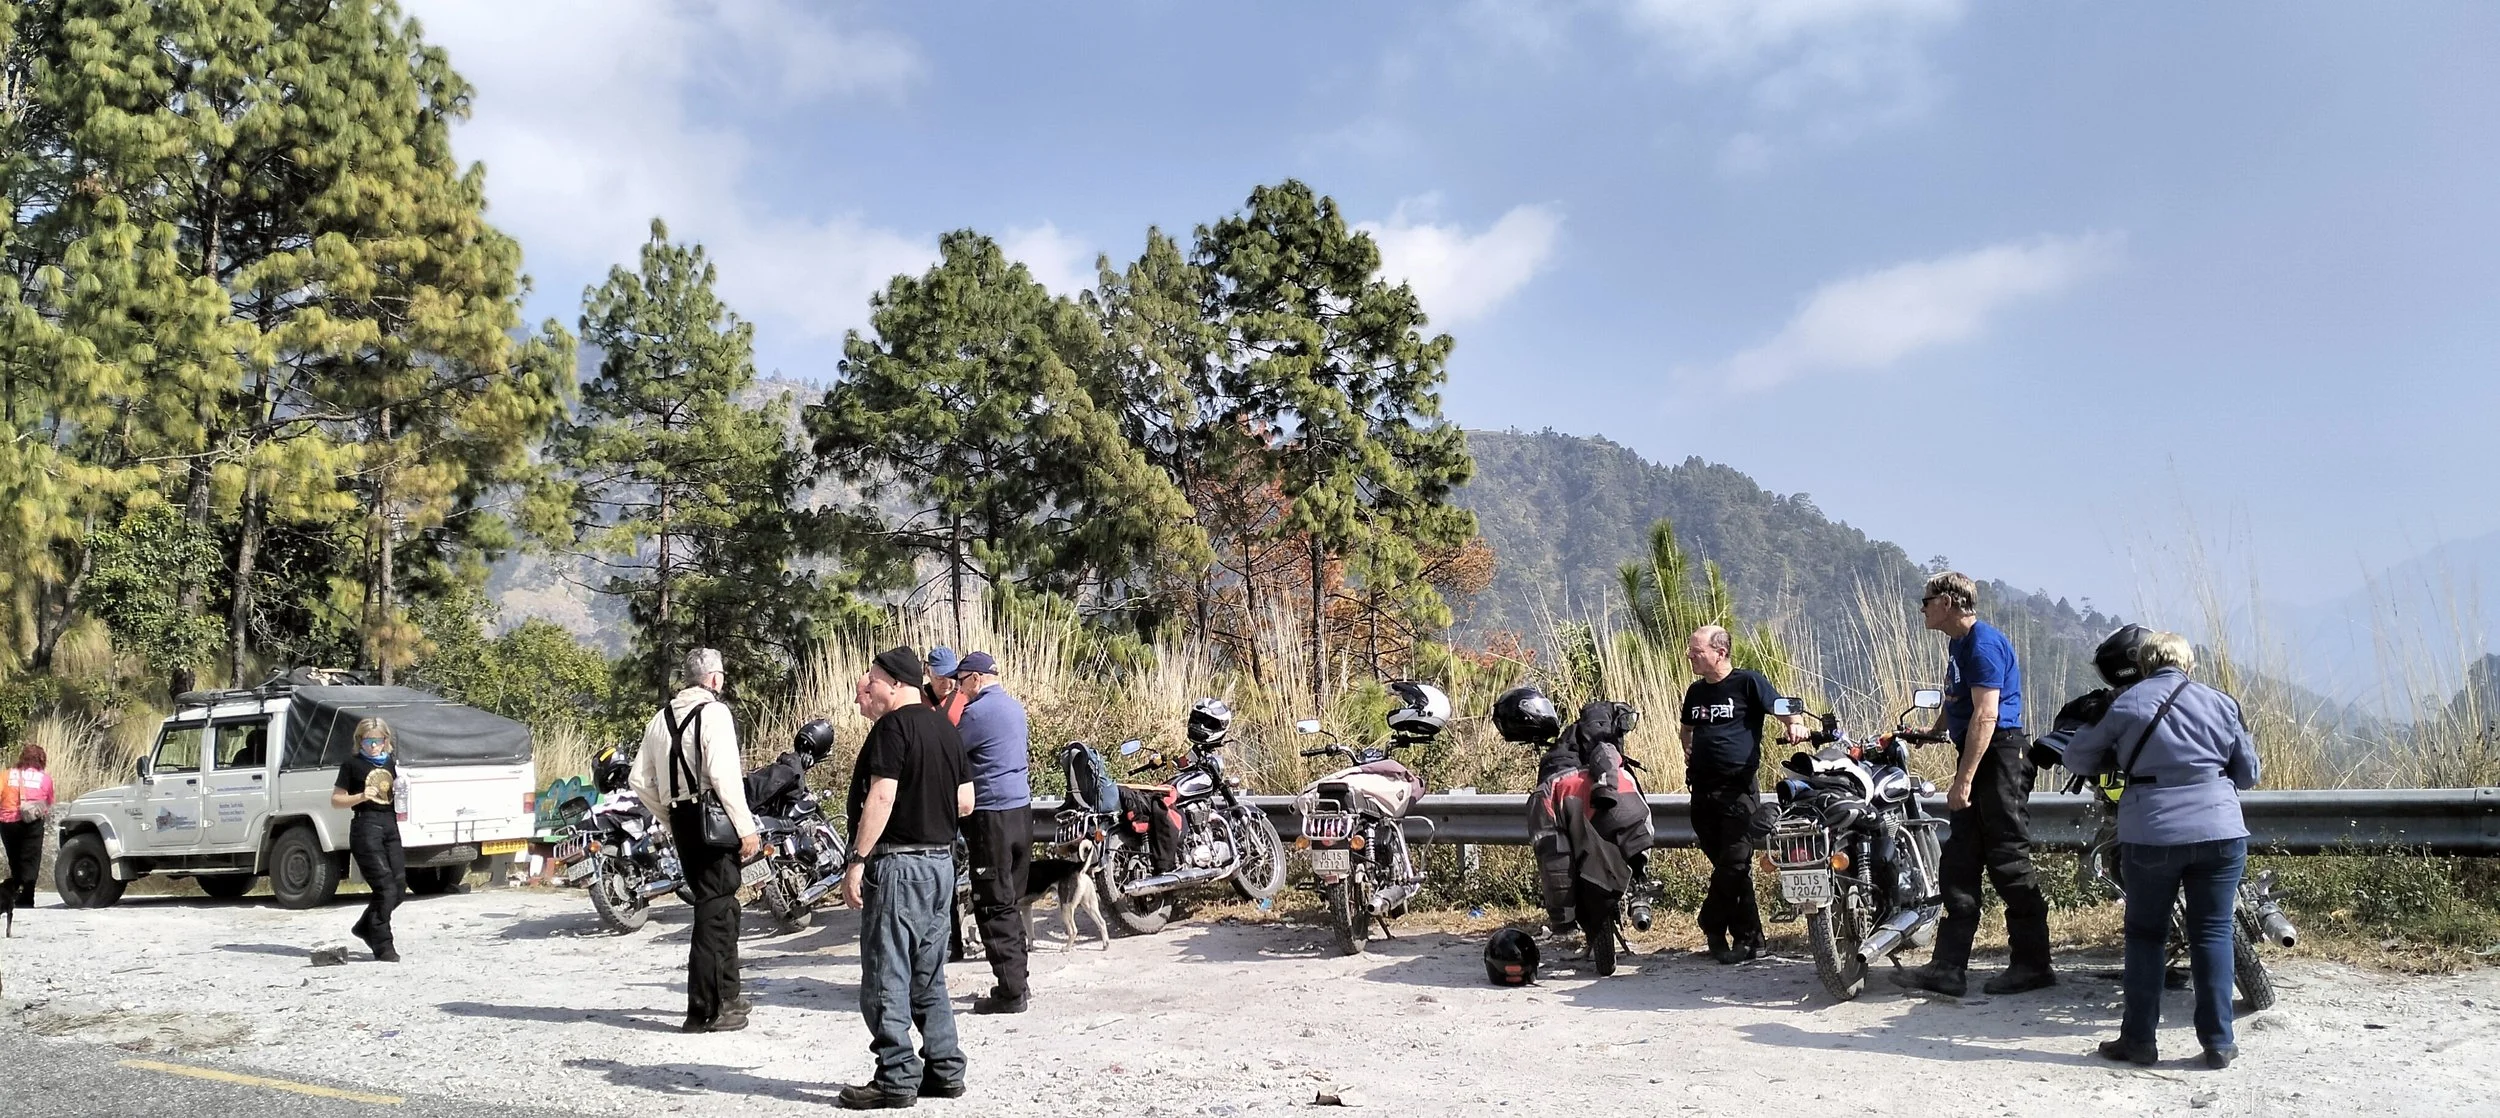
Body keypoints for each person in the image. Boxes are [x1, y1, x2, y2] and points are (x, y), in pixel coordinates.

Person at [2061, 631, 2260, 1069]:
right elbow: (2248, 774)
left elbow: (2076, 759)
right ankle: (2219, 1042)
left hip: (2151, 832)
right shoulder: (2221, 703)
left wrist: (2114, 756)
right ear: (2188, 664)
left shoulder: (2126, 704)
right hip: (2220, 832)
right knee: (2212, 932)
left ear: (2144, 664)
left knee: (2146, 936)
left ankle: (2139, 1041)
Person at [1895, 571, 2057, 998]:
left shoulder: (1983, 644)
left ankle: (2033, 963)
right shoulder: (1957, 644)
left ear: (1947, 602)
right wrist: (1934, 730)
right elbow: (1958, 699)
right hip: (1980, 748)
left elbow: (1986, 716)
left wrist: (1962, 783)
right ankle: (1948, 968)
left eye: (1927, 600)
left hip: (2000, 754)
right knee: (1960, 863)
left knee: (2007, 859)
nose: (1923, 607)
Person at [838, 647, 974, 1109]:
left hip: (901, 866)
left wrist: (857, 860)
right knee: (928, 974)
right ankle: (944, 1068)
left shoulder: (892, 728)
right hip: (941, 866)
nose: (868, 689)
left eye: (872, 681)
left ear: (895, 683)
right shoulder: (945, 728)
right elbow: (967, 802)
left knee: (885, 973)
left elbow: (881, 796)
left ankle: (895, 1077)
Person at [629, 648, 760, 1033]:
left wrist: (668, 815)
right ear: (715, 679)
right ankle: (706, 1009)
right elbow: (723, 776)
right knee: (716, 911)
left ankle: (729, 996)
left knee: (716, 906)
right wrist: (745, 827)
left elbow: (639, 779)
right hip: (714, 818)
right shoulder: (714, 713)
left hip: (682, 820)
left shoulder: (660, 718)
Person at [1677, 625, 1807, 964]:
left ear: (1719, 653)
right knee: (1729, 868)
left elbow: (1781, 707)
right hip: (1702, 793)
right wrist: (1689, 750)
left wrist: (1793, 723)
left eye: (1697, 650)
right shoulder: (1695, 692)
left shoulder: (1747, 682)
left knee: (1734, 864)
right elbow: (1686, 729)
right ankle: (1750, 940)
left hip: (1738, 793)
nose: (1690, 654)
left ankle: (1711, 922)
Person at [950, 650, 1034, 1014]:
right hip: (1021, 811)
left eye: (960, 681)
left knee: (993, 902)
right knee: (1010, 900)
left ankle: (1010, 992)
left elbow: (950, 752)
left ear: (976, 678)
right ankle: (1020, 979)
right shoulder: (1015, 708)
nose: (958, 688)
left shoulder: (977, 714)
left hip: (992, 815)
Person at [330, 719, 405, 962]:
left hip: (390, 824)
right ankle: (383, 944)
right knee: (385, 888)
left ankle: (365, 925)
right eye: (368, 740)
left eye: (378, 740)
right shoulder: (352, 764)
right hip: (365, 825)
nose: (373, 745)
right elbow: (336, 800)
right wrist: (361, 796)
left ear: (386, 741)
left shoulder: (392, 763)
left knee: (399, 888)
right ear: (359, 741)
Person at [1, 744, 56, 908]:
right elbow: (49, 801)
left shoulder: (6, 775)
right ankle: (27, 897)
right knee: (31, 859)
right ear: (42, 759)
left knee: (15, 858)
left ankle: (15, 894)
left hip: (7, 821)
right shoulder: (44, 778)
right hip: (33, 822)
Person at [925, 646, 969, 725]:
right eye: (940, 677)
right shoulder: (918, 698)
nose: (946, 684)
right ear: (928, 672)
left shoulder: (966, 698)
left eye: (951, 676)